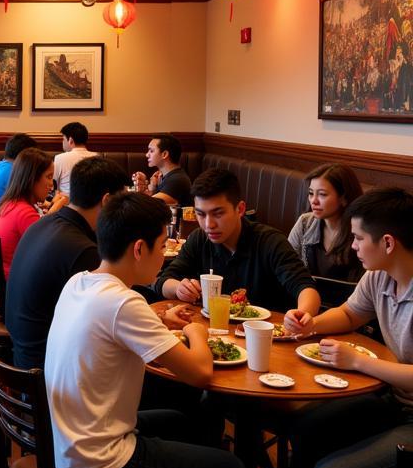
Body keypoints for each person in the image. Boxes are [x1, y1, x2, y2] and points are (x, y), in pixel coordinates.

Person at [45, 191, 248, 468]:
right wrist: (196, 330)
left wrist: (159, 321)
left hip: (68, 443)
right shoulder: (124, 302)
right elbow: (200, 373)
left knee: (180, 420)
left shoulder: (80, 282)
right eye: (161, 246)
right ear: (139, 248)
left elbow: (115, 327)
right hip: (101, 461)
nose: (162, 257)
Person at [288, 188, 413, 468]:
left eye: (358, 238)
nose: (353, 245)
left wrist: (357, 362)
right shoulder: (378, 277)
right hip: (393, 400)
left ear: (387, 242)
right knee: (305, 426)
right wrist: (310, 323)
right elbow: (349, 314)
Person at [159, 167, 320, 331]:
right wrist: (178, 288)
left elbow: (305, 288)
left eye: (218, 213)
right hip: (212, 331)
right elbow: (163, 281)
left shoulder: (270, 241)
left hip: (265, 335)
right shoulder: (199, 239)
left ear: (240, 209)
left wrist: (301, 315)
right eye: (201, 214)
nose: (209, 224)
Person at [5, 156, 128, 369]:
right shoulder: (81, 250)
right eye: (122, 202)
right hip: (45, 370)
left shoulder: (44, 224)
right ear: (107, 201)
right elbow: (113, 312)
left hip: (20, 353)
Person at [0, 148, 68, 277]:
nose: (51, 185)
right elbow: (51, 248)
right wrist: (58, 206)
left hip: (7, 273)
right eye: (48, 177)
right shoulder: (24, 213)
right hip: (18, 278)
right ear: (32, 179)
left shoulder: (8, 203)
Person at [287, 163, 365, 283]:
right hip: (307, 297)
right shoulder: (305, 223)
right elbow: (287, 265)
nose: (314, 201)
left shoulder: (362, 231)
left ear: (344, 198)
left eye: (322, 194)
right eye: (311, 193)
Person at [132, 134, 192, 206]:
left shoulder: (177, 180)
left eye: (151, 151)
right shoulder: (164, 177)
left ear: (164, 154)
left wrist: (146, 191)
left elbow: (148, 206)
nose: (147, 155)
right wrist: (149, 189)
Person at [52, 122, 97, 198]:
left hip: (66, 204)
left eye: (63, 139)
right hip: (93, 204)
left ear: (70, 140)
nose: (62, 142)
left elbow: (52, 184)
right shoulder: (97, 156)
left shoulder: (60, 158)